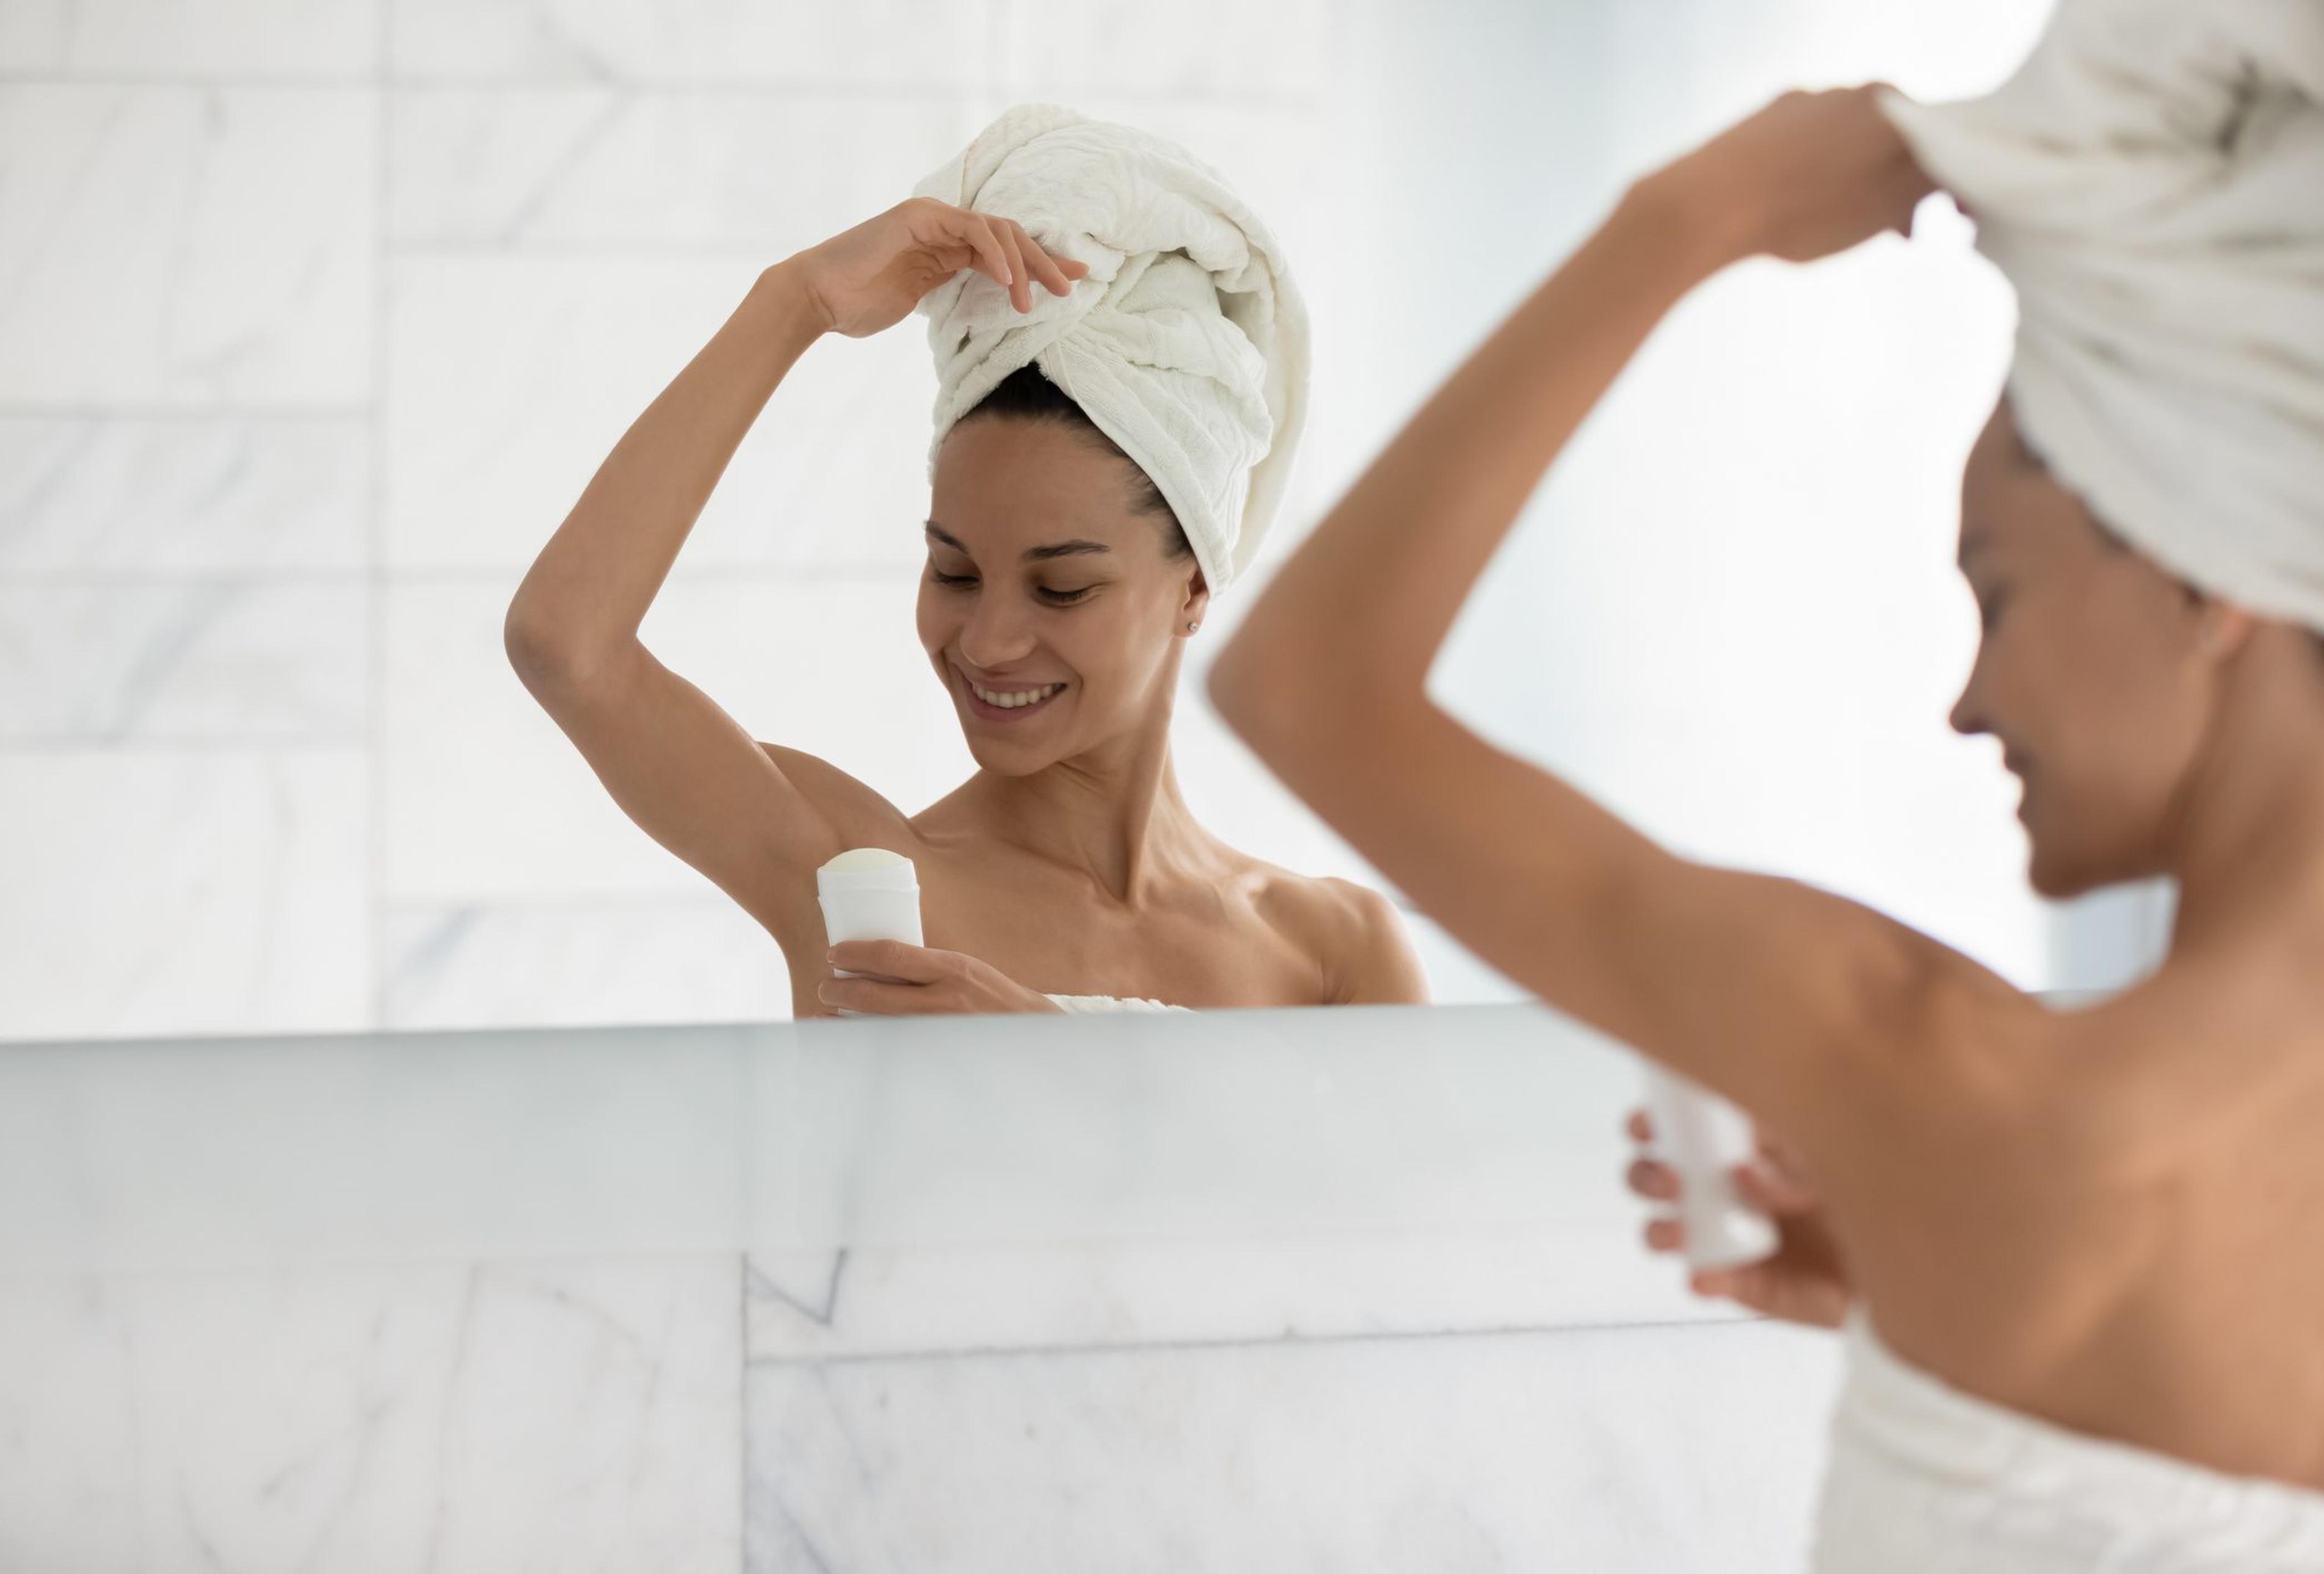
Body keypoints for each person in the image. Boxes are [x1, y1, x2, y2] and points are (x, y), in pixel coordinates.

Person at [1210, 0, 2324, 1562]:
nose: (1967, 697)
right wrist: (1941, 1281)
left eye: (1996, 590)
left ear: (2208, 582)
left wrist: (1690, 218)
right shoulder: (2000, 1167)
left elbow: (1305, 684)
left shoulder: (1967, 1090)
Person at [506, 107, 1424, 1020]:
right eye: (954, 572)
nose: (986, 642)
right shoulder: (865, 887)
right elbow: (567, 646)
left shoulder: (1333, 950)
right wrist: (798, 302)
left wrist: (1048, 1061)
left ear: (1192, 587)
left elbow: (1424, 1176)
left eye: (1061, 587)